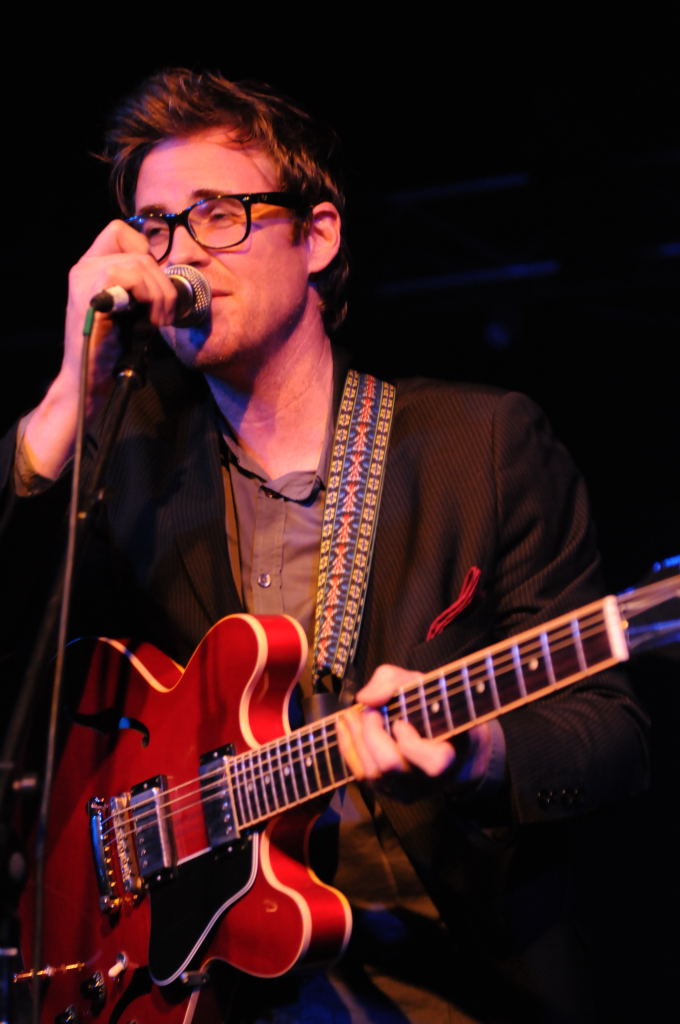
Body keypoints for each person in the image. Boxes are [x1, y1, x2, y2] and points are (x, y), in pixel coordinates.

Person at [1, 69, 650, 1023]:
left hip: (440, 984)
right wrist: (71, 394)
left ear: (318, 236)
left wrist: (479, 753)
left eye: (216, 214)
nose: (180, 252)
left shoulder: (479, 444)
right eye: (155, 226)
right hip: (200, 988)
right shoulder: (125, 467)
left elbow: (612, 734)